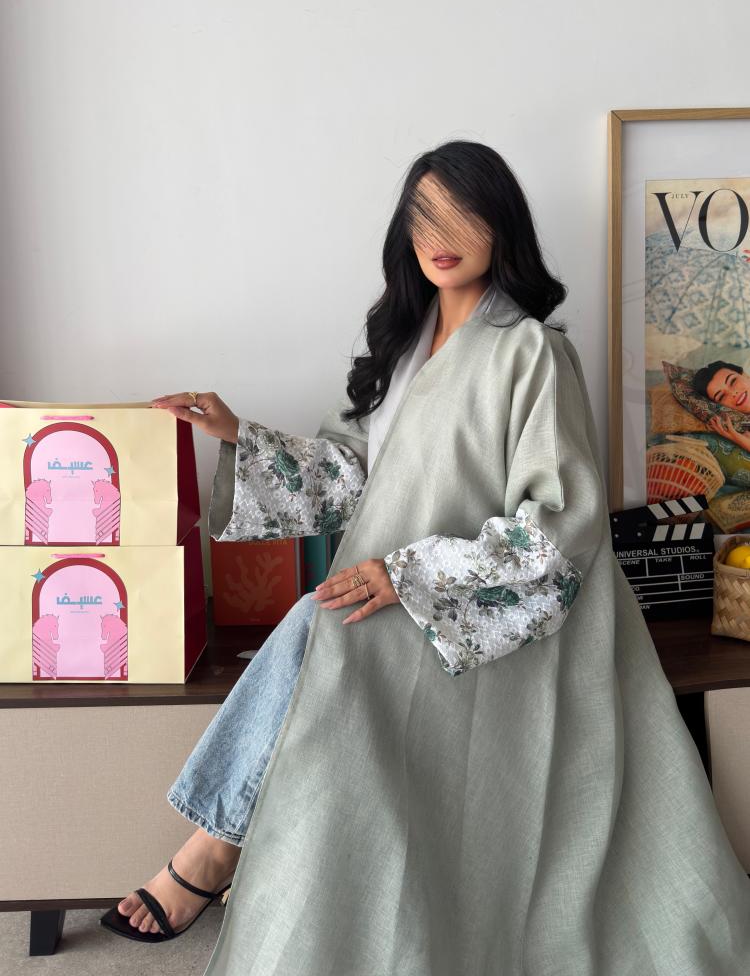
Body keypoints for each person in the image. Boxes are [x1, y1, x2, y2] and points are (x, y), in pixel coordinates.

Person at [102, 141, 750, 973]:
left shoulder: (532, 352)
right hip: (400, 601)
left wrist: (409, 575)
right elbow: (355, 480)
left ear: (501, 225)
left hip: (494, 619)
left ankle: (211, 850)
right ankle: (216, 850)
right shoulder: (404, 346)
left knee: (321, 629)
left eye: (462, 215)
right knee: (323, 627)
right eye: (424, 218)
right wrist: (237, 434)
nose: (440, 237)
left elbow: (561, 528)